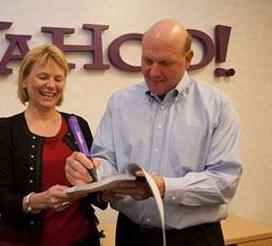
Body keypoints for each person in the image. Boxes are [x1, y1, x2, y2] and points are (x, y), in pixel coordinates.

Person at [65, 19, 242, 246]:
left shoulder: (217, 106)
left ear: (188, 59)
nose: (153, 72)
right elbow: (106, 159)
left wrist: (162, 187)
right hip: (131, 235)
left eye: (165, 63)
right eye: (147, 60)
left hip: (194, 238)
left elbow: (224, 183)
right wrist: (92, 172)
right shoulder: (120, 102)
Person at [0, 44, 103, 246]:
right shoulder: (5, 130)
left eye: (58, 79)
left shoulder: (78, 125)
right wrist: (38, 200)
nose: (51, 85)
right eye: (43, 77)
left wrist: (106, 188)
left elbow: (95, 188)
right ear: (24, 80)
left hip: (83, 240)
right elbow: (3, 199)